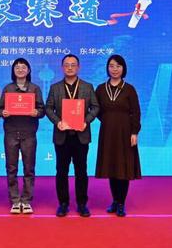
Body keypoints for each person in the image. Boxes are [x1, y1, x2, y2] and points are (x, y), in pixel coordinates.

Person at [45, 54, 99, 217]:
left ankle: (82, 204)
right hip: (62, 135)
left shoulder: (87, 87)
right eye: (67, 65)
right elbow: (48, 108)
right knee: (61, 171)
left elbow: (95, 107)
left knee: (81, 170)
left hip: (81, 135)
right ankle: (63, 203)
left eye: (73, 64)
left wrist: (86, 121)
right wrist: (58, 122)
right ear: (62, 67)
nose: (70, 67)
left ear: (78, 67)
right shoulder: (55, 87)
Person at [95, 55, 142, 217]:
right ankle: (115, 201)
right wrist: (109, 120)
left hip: (125, 133)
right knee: (112, 167)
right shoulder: (101, 89)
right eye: (111, 66)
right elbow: (96, 110)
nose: (114, 69)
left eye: (118, 66)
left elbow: (136, 112)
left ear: (123, 68)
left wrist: (134, 132)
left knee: (123, 168)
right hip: (108, 133)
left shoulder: (129, 89)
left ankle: (121, 203)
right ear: (107, 68)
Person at [0, 58, 45, 214]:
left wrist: (36, 112)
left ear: (29, 70)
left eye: (23, 67)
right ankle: (14, 200)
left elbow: (42, 110)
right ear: (13, 70)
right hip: (11, 133)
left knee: (29, 168)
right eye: (17, 67)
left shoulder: (35, 89)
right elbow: (0, 109)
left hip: (29, 133)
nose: (20, 70)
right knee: (11, 168)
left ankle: (26, 200)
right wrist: (3, 113)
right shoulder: (8, 88)